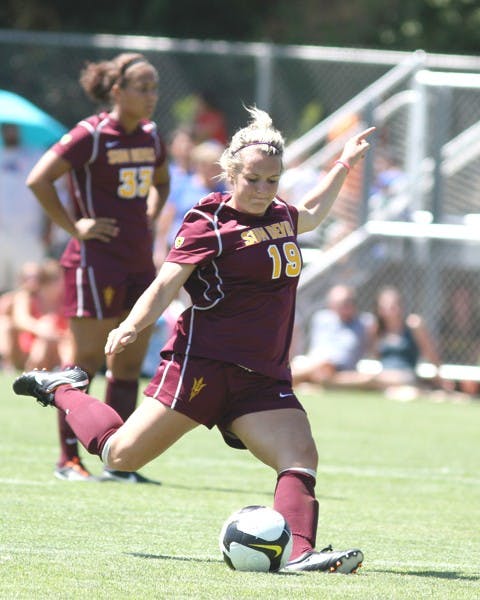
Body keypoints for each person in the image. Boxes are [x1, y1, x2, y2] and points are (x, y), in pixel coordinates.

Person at [14, 106, 374, 571]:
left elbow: (309, 213)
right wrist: (129, 326)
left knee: (300, 455)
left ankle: (300, 554)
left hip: (261, 376)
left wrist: (343, 164)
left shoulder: (280, 213)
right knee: (120, 455)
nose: (264, 190)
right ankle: (61, 389)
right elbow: (165, 285)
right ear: (229, 172)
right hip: (202, 365)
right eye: (253, 179)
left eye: (272, 180)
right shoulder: (208, 222)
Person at [25, 52, 170, 482]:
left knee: (126, 361)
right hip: (94, 262)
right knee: (85, 361)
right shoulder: (91, 133)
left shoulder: (150, 134)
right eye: (142, 88)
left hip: (138, 261)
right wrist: (76, 226)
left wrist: (153, 209)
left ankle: (116, 460)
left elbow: (161, 181)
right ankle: (68, 459)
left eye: (154, 88)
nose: (151, 97)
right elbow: (39, 178)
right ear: (117, 91)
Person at [291, 284, 374, 388]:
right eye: (341, 303)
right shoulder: (322, 318)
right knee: (321, 366)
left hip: (342, 371)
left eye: (349, 301)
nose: (346, 305)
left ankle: (292, 380)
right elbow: (317, 349)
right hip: (317, 366)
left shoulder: (364, 323)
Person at [0, 123, 47, 293]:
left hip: (30, 234)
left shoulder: (35, 156)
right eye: (6, 127)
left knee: (27, 287)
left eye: (13, 127)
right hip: (2, 234)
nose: (10, 131)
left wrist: (48, 229)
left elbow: (48, 190)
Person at [11, 258, 73, 371]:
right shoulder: (27, 297)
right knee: (44, 342)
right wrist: (40, 328)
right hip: (31, 348)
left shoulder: (66, 300)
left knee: (67, 349)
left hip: (61, 345)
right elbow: (20, 319)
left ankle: (66, 374)